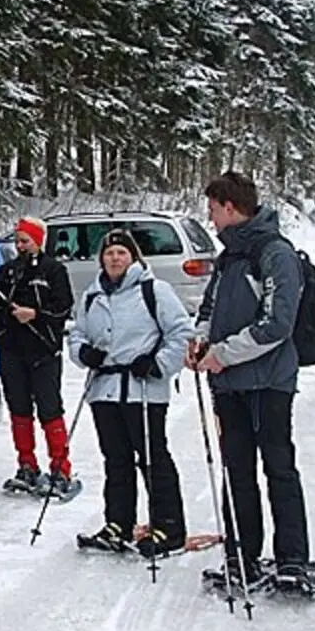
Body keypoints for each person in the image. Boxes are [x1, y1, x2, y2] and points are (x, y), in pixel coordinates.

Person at [188, 171, 315, 590]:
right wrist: (202, 340)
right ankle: (241, 555)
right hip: (228, 386)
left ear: (229, 207)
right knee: (237, 471)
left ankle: (292, 558)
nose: (210, 218)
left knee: (278, 467)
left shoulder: (274, 252)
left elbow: (277, 323)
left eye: (212, 209)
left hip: (269, 381)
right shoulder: (228, 258)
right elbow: (209, 308)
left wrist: (222, 354)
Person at [69, 229, 193, 557]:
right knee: (116, 460)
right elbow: (77, 334)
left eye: (122, 253)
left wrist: (158, 363)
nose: (114, 259)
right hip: (105, 389)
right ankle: (118, 524)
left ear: (133, 257)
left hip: (143, 389)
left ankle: (169, 526)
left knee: (153, 457)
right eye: (109, 254)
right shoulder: (92, 294)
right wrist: (84, 354)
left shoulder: (154, 290)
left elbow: (181, 332)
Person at [0, 216, 78, 499]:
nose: (20, 245)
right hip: (13, 351)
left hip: (44, 351)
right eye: (17, 240)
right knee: (20, 409)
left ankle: (61, 468)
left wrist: (36, 315)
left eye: (25, 240)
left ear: (39, 241)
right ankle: (27, 464)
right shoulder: (6, 272)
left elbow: (63, 307)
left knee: (50, 409)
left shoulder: (54, 271)